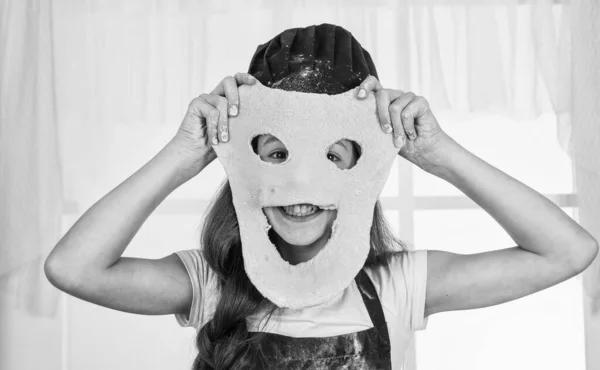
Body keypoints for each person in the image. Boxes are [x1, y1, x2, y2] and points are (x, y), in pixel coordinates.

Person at [44, 23, 598, 370]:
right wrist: (183, 155)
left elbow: (567, 252)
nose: (301, 186)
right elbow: (74, 269)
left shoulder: (397, 287)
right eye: (277, 154)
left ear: (364, 165)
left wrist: (441, 155)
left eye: (334, 155)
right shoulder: (211, 286)